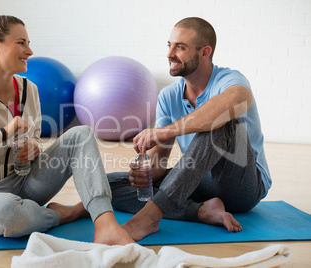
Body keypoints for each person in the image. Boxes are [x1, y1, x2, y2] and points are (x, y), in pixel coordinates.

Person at [0, 14, 134, 245]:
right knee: (7, 215)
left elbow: (32, 139)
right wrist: (3, 133)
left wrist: (33, 148)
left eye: (28, 43)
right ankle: (66, 214)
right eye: (21, 43)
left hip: (26, 182)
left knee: (81, 134)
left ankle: (105, 223)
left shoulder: (29, 89)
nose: (29, 51)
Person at [107, 17, 272, 241]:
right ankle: (201, 211)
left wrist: (164, 132)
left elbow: (239, 99)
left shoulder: (230, 79)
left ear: (205, 52)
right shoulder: (168, 96)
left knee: (223, 121)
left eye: (180, 47)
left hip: (242, 186)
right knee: (109, 184)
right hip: (199, 183)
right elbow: (159, 164)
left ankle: (150, 217)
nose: (169, 54)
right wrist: (145, 174)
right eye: (169, 45)